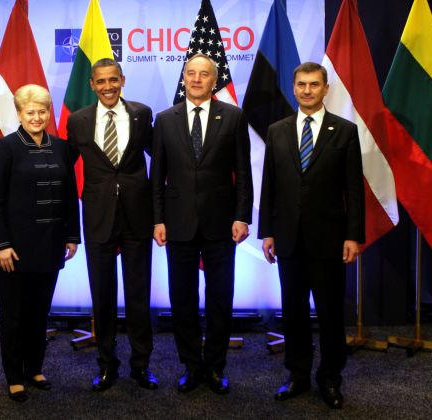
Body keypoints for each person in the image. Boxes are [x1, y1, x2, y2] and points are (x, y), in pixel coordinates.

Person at [258, 62, 364, 409]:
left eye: (314, 84)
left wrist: (353, 235)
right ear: (294, 88)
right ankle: (298, 375)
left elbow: (353, 189)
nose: (307, 90)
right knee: (294, 312)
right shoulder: (277, 131)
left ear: (325, 88)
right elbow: (270, 185)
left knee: (331, 313)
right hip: (288, 239)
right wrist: (267, 232)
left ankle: (330, 379)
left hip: (330, 239)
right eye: (301, 84)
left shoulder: (344, 131)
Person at [151, 53, 253, 394]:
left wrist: (242, 215)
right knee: (182, 298)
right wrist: (157, 219)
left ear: (214, 80)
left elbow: (243, 172)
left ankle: (215, 366)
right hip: (177, 223)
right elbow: (157, 176)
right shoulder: (165, 120)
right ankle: (191, 365)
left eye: (203, 74)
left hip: (221, 223)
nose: (196, 79)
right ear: (184, 78)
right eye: (191, 73)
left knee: (220, 298)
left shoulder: (234, 116)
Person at [0, 84, 80, 402]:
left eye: (42, 111)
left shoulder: (62, 147)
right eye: (30, 112)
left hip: (50, 246)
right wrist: (1, 244)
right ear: (19, 114)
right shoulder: (5, 149)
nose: (36, 117)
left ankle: (34, 369)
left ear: (49, 113)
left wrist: (72, 236)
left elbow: (70, 196)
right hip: (13, 249)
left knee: (39, 314)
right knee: (14, 316)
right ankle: (14, 377)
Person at [66, 58, 157, 392]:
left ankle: (141, 366)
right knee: (102, 297)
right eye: (101, 81)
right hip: (98, 218)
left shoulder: (142, 114)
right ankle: (107, 365)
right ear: (92, 84)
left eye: (113, 80)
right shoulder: (77, 120)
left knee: (138, 296)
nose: (108, 87)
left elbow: (160, 158)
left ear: (123, 80)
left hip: (137, 217)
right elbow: (65, 169)